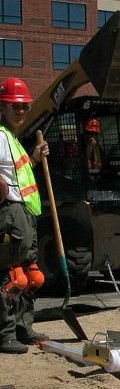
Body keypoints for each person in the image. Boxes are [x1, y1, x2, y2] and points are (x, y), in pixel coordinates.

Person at [0, 77, 49, 354]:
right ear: (2, 108)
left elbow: (17, 172)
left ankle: (22, 329)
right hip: (10, 213)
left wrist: (34, 158)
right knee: (10, 278)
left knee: (32, 277)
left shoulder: (13, 139)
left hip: (26, 212)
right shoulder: (0, 135)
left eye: (24, 106)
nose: (20, 111)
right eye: (14, 106)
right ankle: (5, 334)